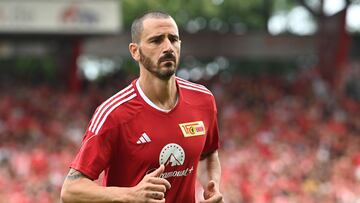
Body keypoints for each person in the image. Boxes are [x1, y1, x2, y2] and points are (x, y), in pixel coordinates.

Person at [61, 11, 223, 203]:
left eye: (173, 39)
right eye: (156, 41)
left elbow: (208, 154)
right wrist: (130, 195)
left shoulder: (203, 99)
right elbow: (70, 190)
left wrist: (212, 185)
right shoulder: (113, 114)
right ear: (135, 51)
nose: (168, 47)